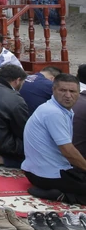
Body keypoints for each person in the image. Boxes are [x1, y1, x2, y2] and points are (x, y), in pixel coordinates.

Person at [21, 74, 86, 204]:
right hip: (46, 176)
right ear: (53, 90)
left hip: (37, 171)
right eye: (63, 90)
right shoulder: (54, 112)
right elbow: (67, 150)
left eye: (72, 91)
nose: (68, 95)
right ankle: (60, 195)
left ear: (79, 93)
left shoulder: (57, 109)